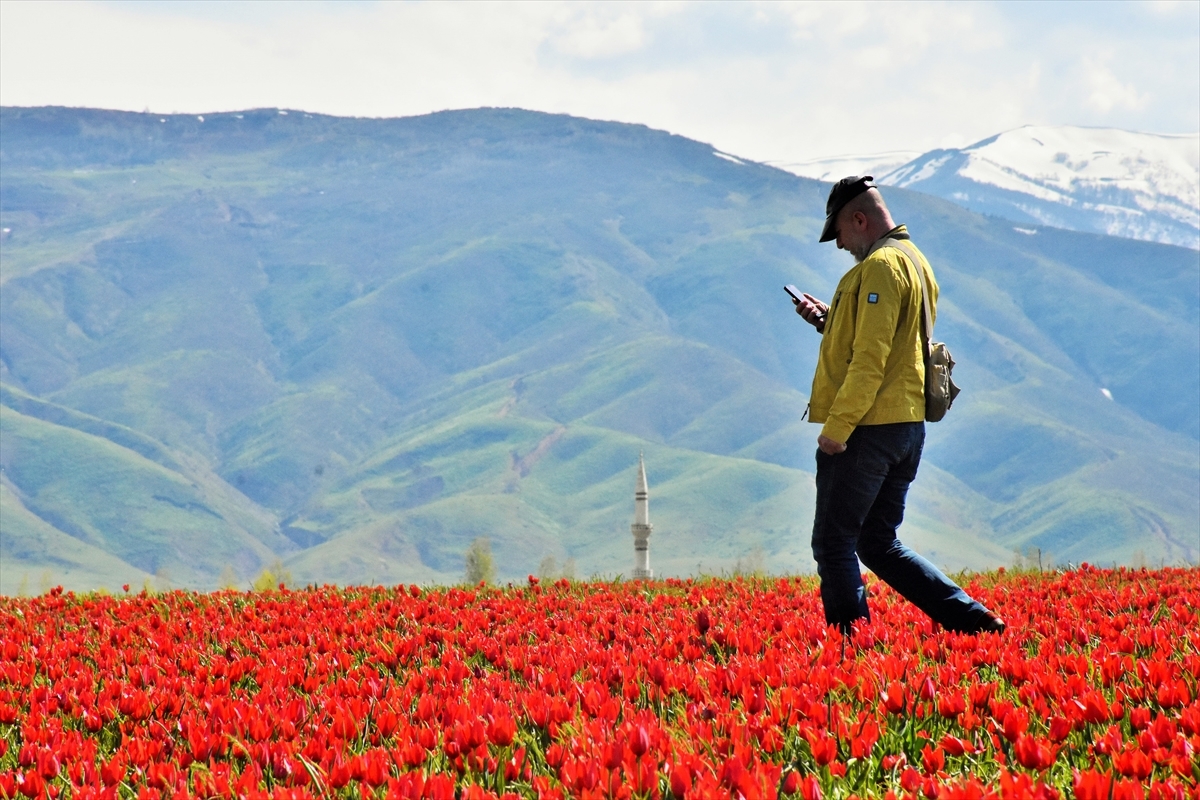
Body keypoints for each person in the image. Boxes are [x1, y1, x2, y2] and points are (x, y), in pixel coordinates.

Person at [792, 175, 1005, 635]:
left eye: (839, 234)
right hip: (906, 428)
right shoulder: (915, 261)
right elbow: (891, 339)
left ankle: (853, 651)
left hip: (869, 428)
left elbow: (870, 360)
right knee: (877, 542)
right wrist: (828, 321)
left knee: (833, 543)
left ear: (859, 220)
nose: (839, 245)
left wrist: (836, 431)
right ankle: (974, 620)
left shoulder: (881, 266)